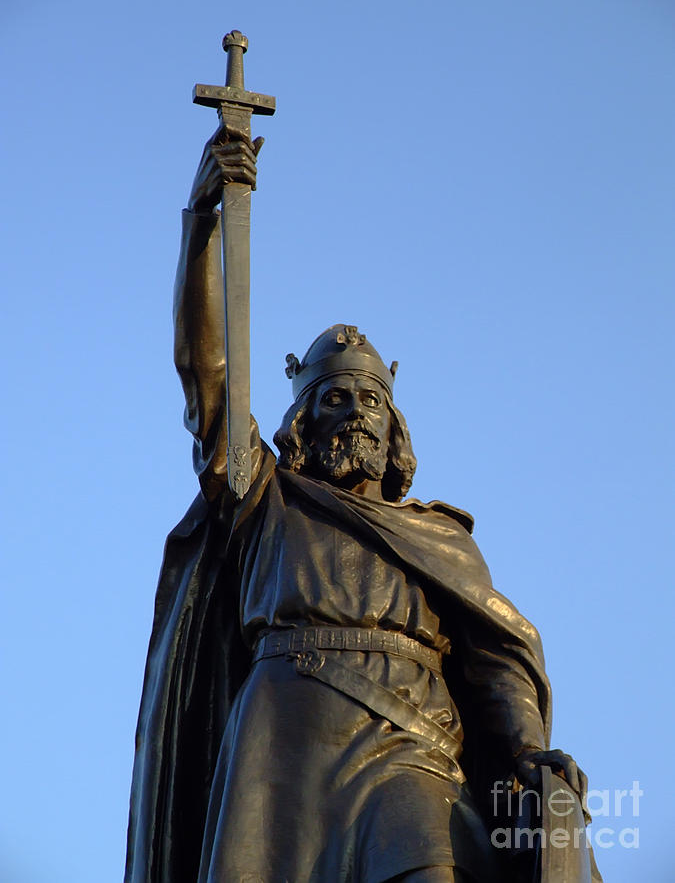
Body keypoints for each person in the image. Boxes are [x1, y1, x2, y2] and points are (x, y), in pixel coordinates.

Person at [126, 128, 599, 883]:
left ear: (393, 424)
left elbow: (497, 663)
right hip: (283, 746)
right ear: (301, 425)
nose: (354, 411)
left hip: (414, 748)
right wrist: (201, 221)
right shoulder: (263, 497)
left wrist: (525, 750)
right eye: (335, 398)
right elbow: (208, 375)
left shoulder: (441, 537)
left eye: (370, 400)